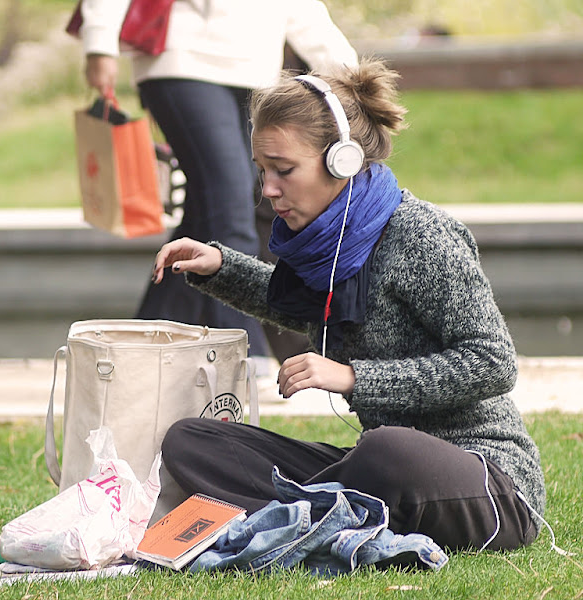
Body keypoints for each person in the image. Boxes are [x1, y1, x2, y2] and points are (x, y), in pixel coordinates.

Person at [150, 57, 546, 552]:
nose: (268, 189)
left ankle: (305, 512)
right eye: (263, 170)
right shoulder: (326, 240)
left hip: (487, 485)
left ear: (343, 160)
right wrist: (220, 268)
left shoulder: (421, 236)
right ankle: (322, 510)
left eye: (284, 170)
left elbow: (493, 363)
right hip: (382, 474)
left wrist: (355, 378)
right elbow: (306, 308)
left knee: (385, 449)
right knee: (194, 441)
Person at [78, 0, 358, 362]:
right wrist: (99, 44)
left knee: (209, 213)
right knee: (230, 207)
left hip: (256, 72)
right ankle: (239, 352)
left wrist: (351, 77)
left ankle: (140, 349)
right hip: (181, 60)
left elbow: (300, 8)